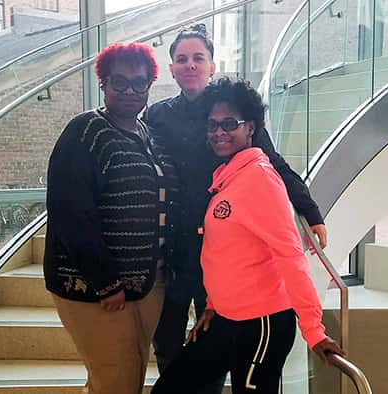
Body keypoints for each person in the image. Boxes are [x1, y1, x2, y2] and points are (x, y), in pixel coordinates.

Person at [143, 24, 328, 393]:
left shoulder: (232, 114)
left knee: (218, 359)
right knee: (170, 346)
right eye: (182, 59)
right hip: (178, 249)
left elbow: (275, 165)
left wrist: (310, 210)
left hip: (228, 247)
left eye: (198, 58)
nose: (190, 65)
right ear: (172, 68)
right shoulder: (157, 116)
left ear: (212, 65)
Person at [43, 42, 180, 394]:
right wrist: (105, 281)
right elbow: (70, 214)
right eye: (120, 82)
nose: (131, 91)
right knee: (117, 378)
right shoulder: (85, 131)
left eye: (140, 83)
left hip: (148, 284)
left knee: (127, 374)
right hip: (95, 288)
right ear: (103, 83)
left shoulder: (148, 135)